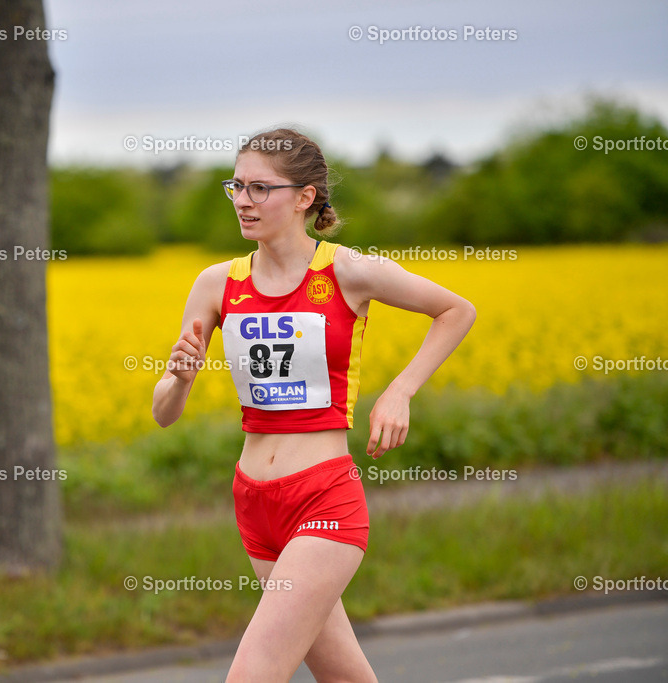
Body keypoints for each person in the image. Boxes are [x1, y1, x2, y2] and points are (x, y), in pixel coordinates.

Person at [151, 128, 476, 682]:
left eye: (260, 188)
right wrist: (179, 379)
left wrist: (400, 390)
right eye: (236, 187)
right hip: (254, 502)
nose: (244, 201)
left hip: (323, 498)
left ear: (305, 197)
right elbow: (163, 411)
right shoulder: (216, 283)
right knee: (345, 677)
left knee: (251, 675)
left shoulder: (347, 271)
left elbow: (456, 310)